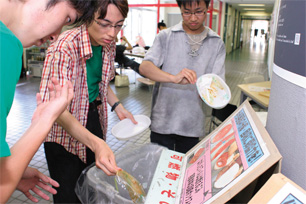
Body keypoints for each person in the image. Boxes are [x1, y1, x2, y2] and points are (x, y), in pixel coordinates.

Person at [39, 0, 137, 202]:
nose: (112, 33)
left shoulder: (107, 45)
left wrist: (117, 106)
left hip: (93, 118)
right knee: (68, 194)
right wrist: (97, 143)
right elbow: (55, 109)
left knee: (92, 187)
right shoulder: (63, 49)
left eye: (119, 25)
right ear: (87, 15)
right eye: (105, 24)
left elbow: (101, 83)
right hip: (63, 132)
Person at [0, 0, 96, 202]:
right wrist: (45, 119)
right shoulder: (6, 46)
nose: (55, 36)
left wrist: (9, 172)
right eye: (67, 18)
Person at [139, 0, 225, 154]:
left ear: (207, 9)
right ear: (180, 9)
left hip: (192, 123)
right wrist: (173, 78)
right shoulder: (166, 36)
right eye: (187, 12)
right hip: (163, 121)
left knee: (186, 171)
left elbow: (218, 84)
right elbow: (145, 67)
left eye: (199, 11)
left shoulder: (216, 42)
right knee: (159, 170)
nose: (193, 18)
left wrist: (210, 92)